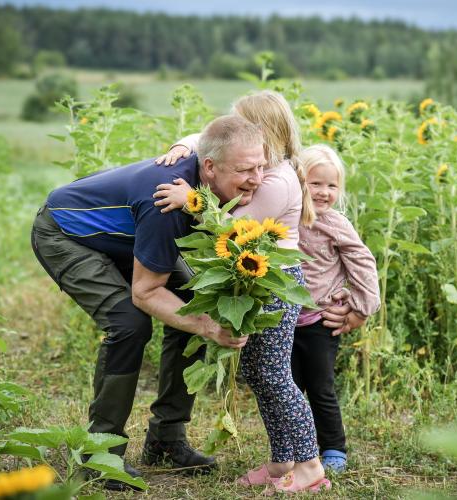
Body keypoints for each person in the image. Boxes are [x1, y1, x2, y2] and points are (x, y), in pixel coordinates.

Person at [30, 115, 265, 491]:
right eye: (245, 170)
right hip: (66, 233)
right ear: (209, 167)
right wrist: (207, 327)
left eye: (260, 166)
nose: (256, 177)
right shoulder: (165, 200)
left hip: (123, 237)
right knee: (129, 322)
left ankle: (166, 440)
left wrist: (204, 314)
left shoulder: (202, 176)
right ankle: (100, 453)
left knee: (194, 298)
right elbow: (145, 293)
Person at [153, 90, 335, 493]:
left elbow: (231, 229)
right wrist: (185, 145)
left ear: (263, 135)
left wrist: (192, 201)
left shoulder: (276, 181)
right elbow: (209, 136)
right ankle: (280, 462)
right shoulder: (269, 167)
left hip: (276, 285)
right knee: (258, 372)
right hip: (261, 283)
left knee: (274, 376)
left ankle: (309, 466)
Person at [292, 144, 380, 473]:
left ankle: (333, 448)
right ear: (298, 181)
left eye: (332, 185)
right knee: (288, 388)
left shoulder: (334, 223)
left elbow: (362, 264)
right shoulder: (285, 216)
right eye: (315, 183)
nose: (324, 192)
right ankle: (293, 449)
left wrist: (360, 308)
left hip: (321, 319)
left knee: (321, 386)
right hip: (283, 321)